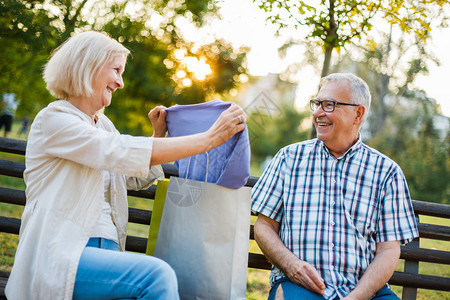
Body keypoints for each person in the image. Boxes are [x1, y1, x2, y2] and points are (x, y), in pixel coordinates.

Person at [5, 31, 247, 300]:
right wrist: (211, 138)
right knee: (156, 276)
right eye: (116, 70)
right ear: (90, 65)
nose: (120, 83)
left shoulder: (103, 125)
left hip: (105, 253)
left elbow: (129, 175)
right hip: (61, 255)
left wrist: (158, 137)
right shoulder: (54, 120)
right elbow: (115, 151)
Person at [251, 73, 418, 300]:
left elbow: (388, 250)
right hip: (299, 286)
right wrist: (291, 266)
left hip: (367, 292)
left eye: (329, 105)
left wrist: (357, 296)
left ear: (357, 114)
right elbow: (264, 226)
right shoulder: (288, 159)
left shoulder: (386, 172)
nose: (318, 112)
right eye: (317, 103)